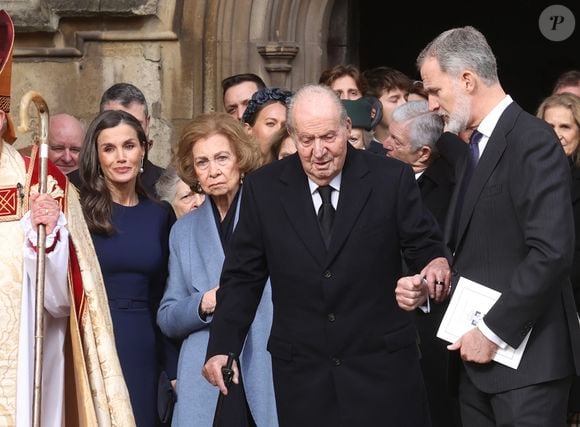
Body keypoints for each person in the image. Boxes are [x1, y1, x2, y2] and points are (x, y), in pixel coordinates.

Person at [203, 84, 451, 426]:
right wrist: (223, 345)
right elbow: (243, 276)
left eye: (329, 138)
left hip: (383, 372)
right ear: (292, 135)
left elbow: (426, 246)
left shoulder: (389, 179)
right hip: (305, 377)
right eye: (306, 140)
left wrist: (431, 272)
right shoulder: (264, 189)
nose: (318, 151)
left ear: (347, 129)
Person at [410, 25, 580, 426]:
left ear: (467, 79)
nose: (432, 104)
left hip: (527, 368)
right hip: (475, 368)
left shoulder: (532, 140)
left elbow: (551, 252)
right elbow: (479, 244)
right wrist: (435, 279)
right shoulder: (473, 146)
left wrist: (492, 332)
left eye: (435, 91)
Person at [0, 10, 134, 426]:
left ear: (3, 116)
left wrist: (46, 237)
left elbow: (65, 300)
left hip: (21, 365)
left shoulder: (42, 182)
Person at [157, 112, 277, 426]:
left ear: (240, 158)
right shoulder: (183, 231)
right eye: (202, 162)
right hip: (206, 373)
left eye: (222, 158)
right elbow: (167, 317)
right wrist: (203, 303)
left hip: (264, 363)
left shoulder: (271, 216)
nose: (214, 171)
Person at [79, 109, 177, 427]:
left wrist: (173, 369)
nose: (121, 157)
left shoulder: (160, 215)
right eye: (109, 149)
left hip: (142, 342)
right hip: (93, 338)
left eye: (129, 146)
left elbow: (164, 295)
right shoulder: (79, 214)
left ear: (143, 150)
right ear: (97, 156)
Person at [384, 100, 461, 427]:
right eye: (388, 135)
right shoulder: (377, 174)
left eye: (396, 142)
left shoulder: (452, 189)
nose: (385, 145)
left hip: (431, 330)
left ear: (424, 154)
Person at [537, 93, 580, 426]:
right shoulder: (530, 177)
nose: (556, 134)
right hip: (541, 311)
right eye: (547, 125)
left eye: (565, 126)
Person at [68, 83, 165, 197]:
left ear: (148, 124)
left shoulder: (167, 185)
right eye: (114, 121)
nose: (123, 129)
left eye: (135, 123)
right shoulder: (71, 188)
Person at [363, 66, 413, 145]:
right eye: (394, 100)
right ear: (373, 109)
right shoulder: (362, 149)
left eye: (406, 98)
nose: (405, 104)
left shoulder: (418, 145)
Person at [242, 87, 292, 164]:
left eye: (284, 126)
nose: (279, 130)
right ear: (248, 130)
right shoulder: (238, 171)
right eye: (270, 124)